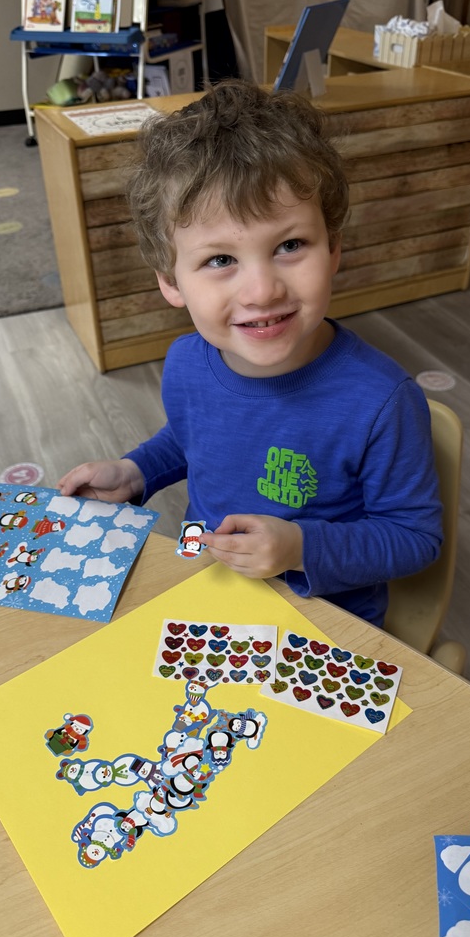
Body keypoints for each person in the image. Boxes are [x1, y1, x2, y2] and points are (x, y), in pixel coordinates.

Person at [58, 80, 442, 627]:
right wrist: (135, 471)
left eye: (289, 246)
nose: (262, 291)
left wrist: (300, 548)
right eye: (219, 260)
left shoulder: (381, 401)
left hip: (324, 624)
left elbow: (414, 539)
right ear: (171, 281)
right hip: (205, 589)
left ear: (333, 247)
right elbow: (196, 438)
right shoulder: (188, 362)